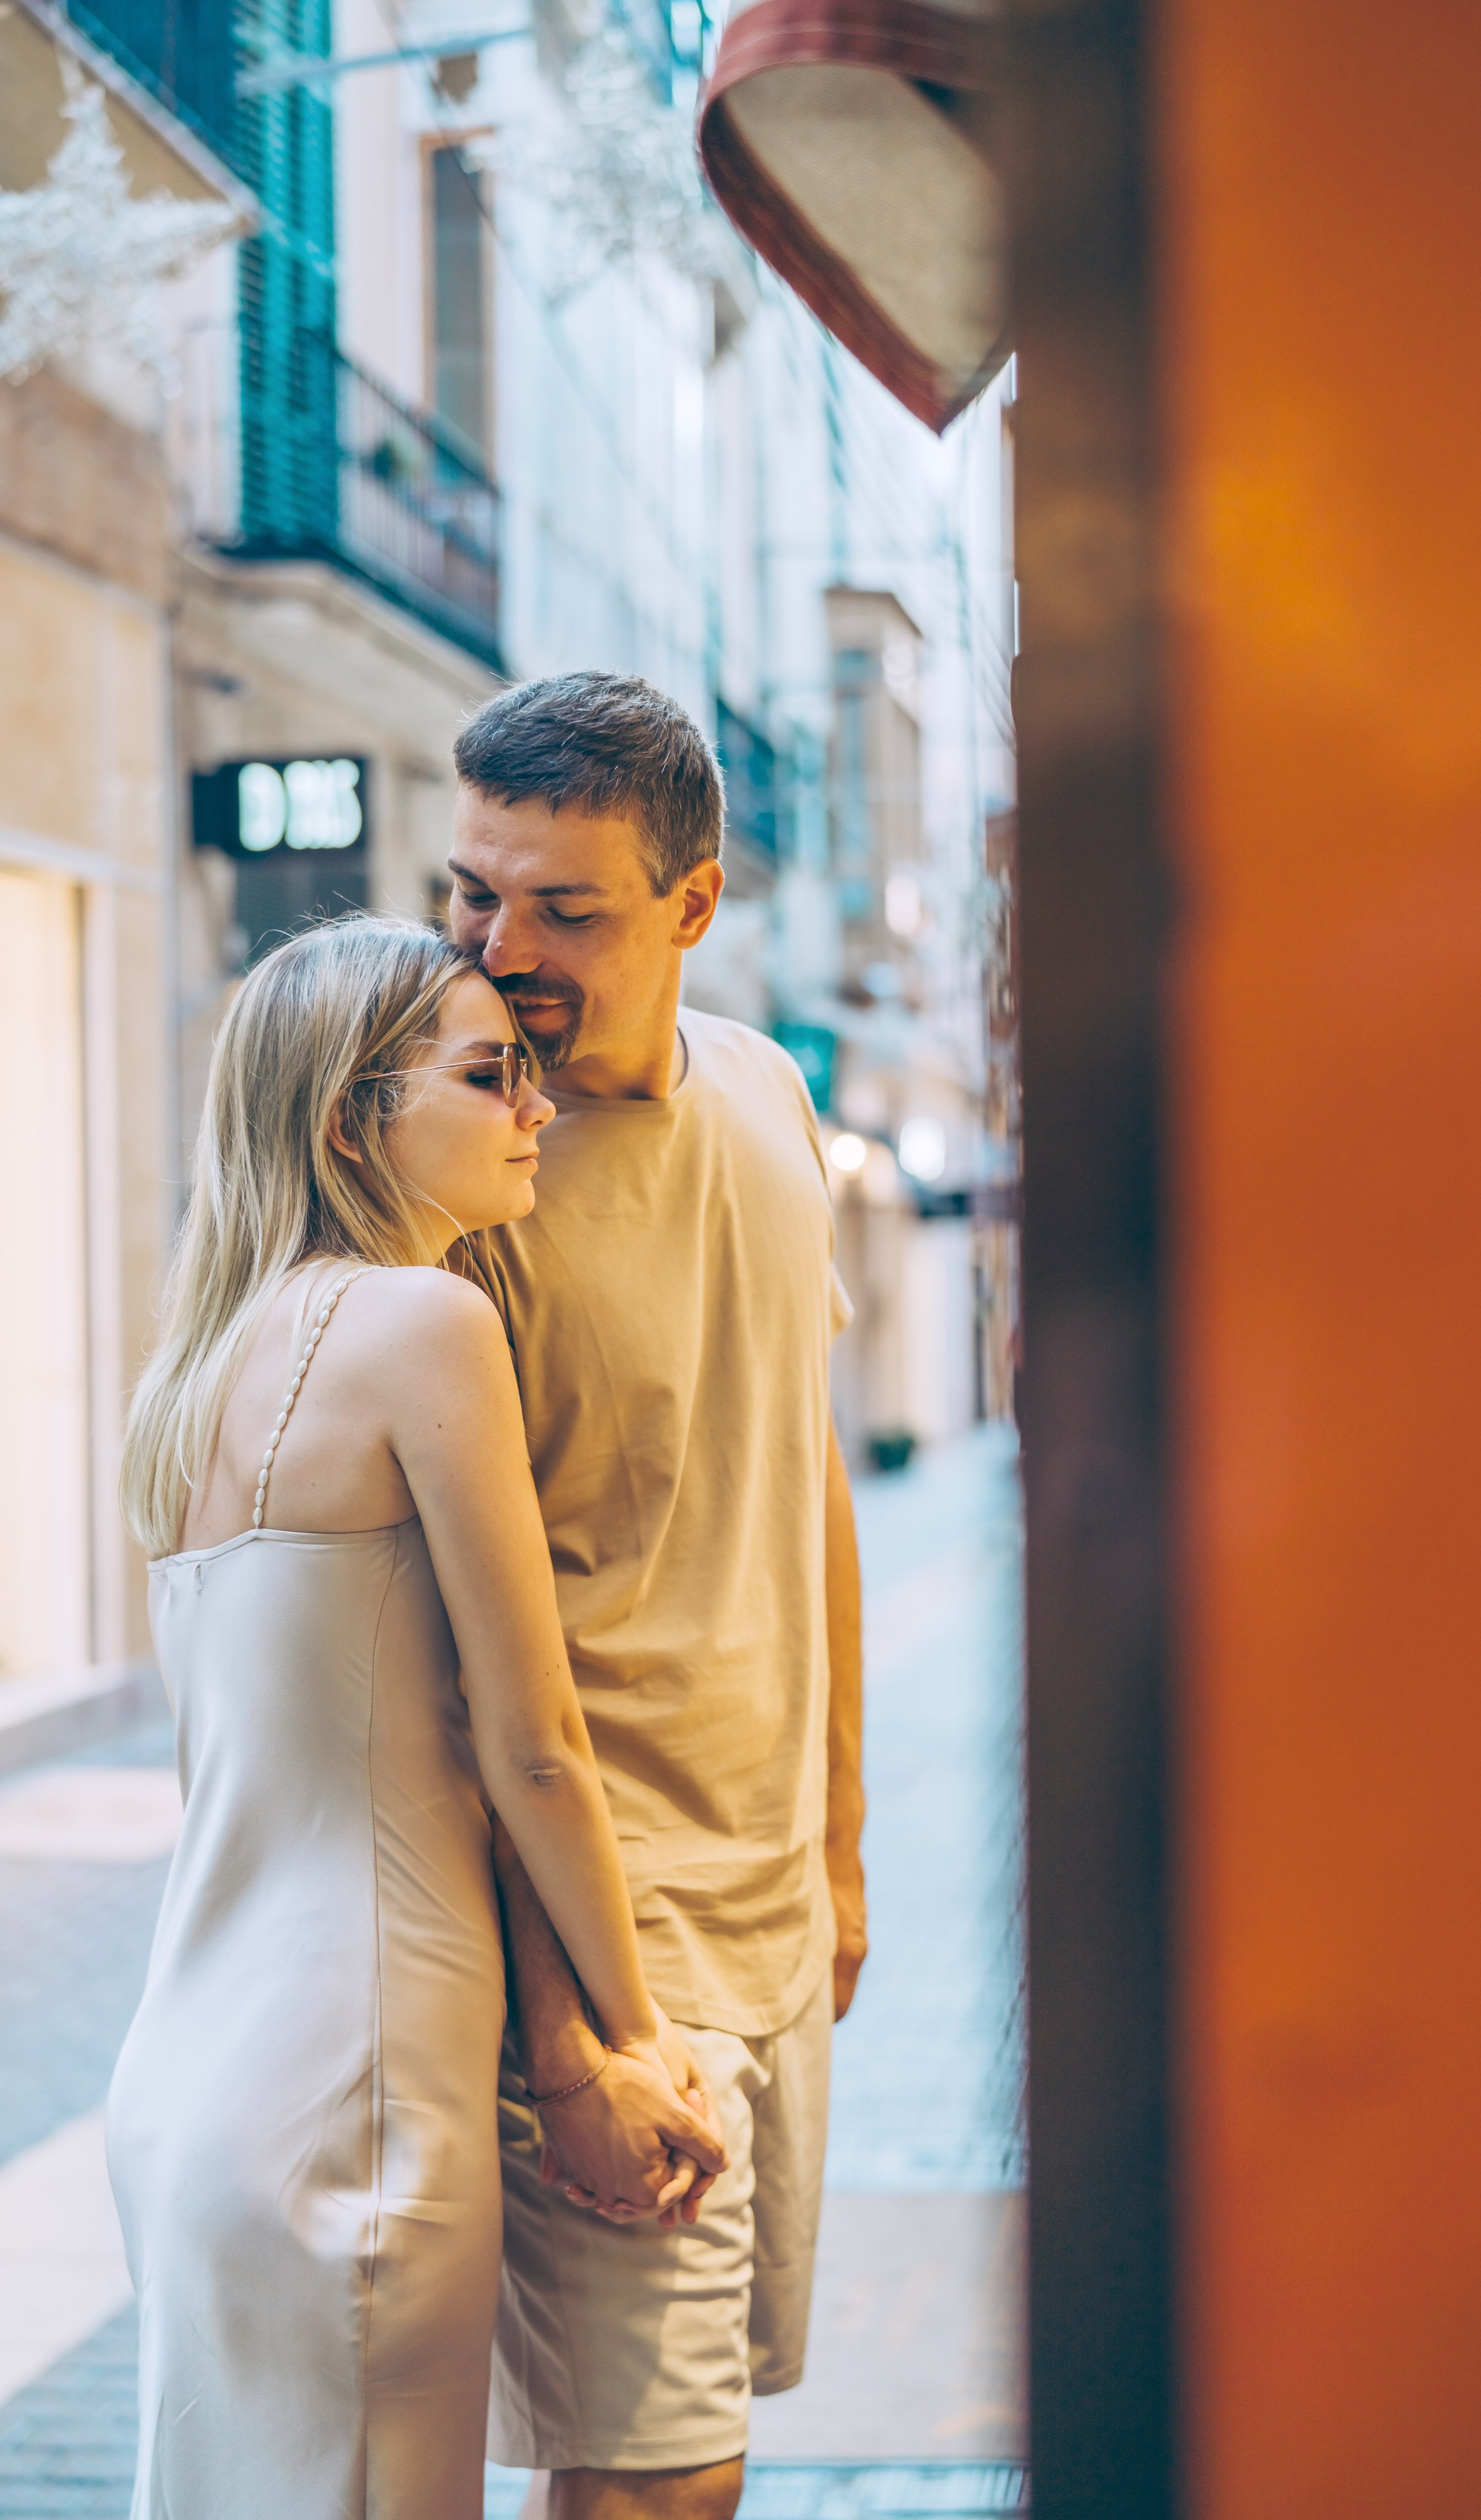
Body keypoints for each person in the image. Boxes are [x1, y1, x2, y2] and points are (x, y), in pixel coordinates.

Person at [107, 917, 724, 2520]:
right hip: (360, 2085)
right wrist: (636, 2038)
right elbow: (532, 1749)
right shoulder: (422, 1324)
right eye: (489, 1072)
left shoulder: (189, 1376)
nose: (536, 1105)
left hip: (193, 2080)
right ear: (346, 1116)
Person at [448, 673, 867, 2520]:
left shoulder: (774, 1096)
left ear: (694, 906)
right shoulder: (470, 1182)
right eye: (474, 891)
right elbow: (471, 1656)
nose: (499, 945)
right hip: (616, 1941)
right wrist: (566, 2033)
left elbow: (812, 1478)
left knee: (683, 2462)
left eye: (566, 908)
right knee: (655, 2481)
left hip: (776, 1921)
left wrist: (843, 1849)